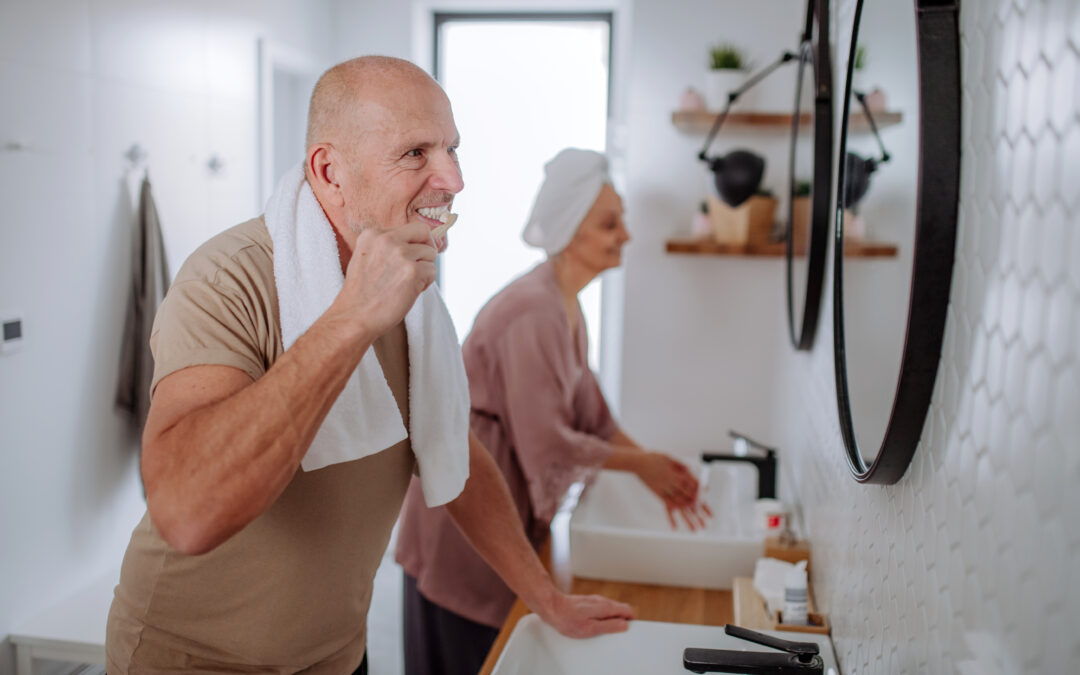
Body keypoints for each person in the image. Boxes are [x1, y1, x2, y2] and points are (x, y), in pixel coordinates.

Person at [104, 57, 633, 675]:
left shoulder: (414, 297)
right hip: (192, 661)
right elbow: (186, 514)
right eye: (415, 153)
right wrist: (350, 320)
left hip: (335, 656)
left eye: (452, 149)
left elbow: (453, 450)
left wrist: (544, 597)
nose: (453, 179)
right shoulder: (230, 279)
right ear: (331, 172)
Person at [395, 148, 712, 675]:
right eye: (611, 224)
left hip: (496, 506)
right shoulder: (532, 314)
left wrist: (656, 467)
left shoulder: (565, 304)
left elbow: (593, 416)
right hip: (460, 521)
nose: (626, 236)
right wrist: (641, 467)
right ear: (570, 230)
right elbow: (550, 444)